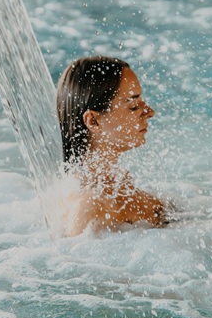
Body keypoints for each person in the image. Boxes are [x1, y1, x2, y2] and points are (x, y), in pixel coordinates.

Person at [56, 55, 168, 236]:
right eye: (133, 106)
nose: (149, 112)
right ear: (93, 121)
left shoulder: (113, 185)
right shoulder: (89, 206)